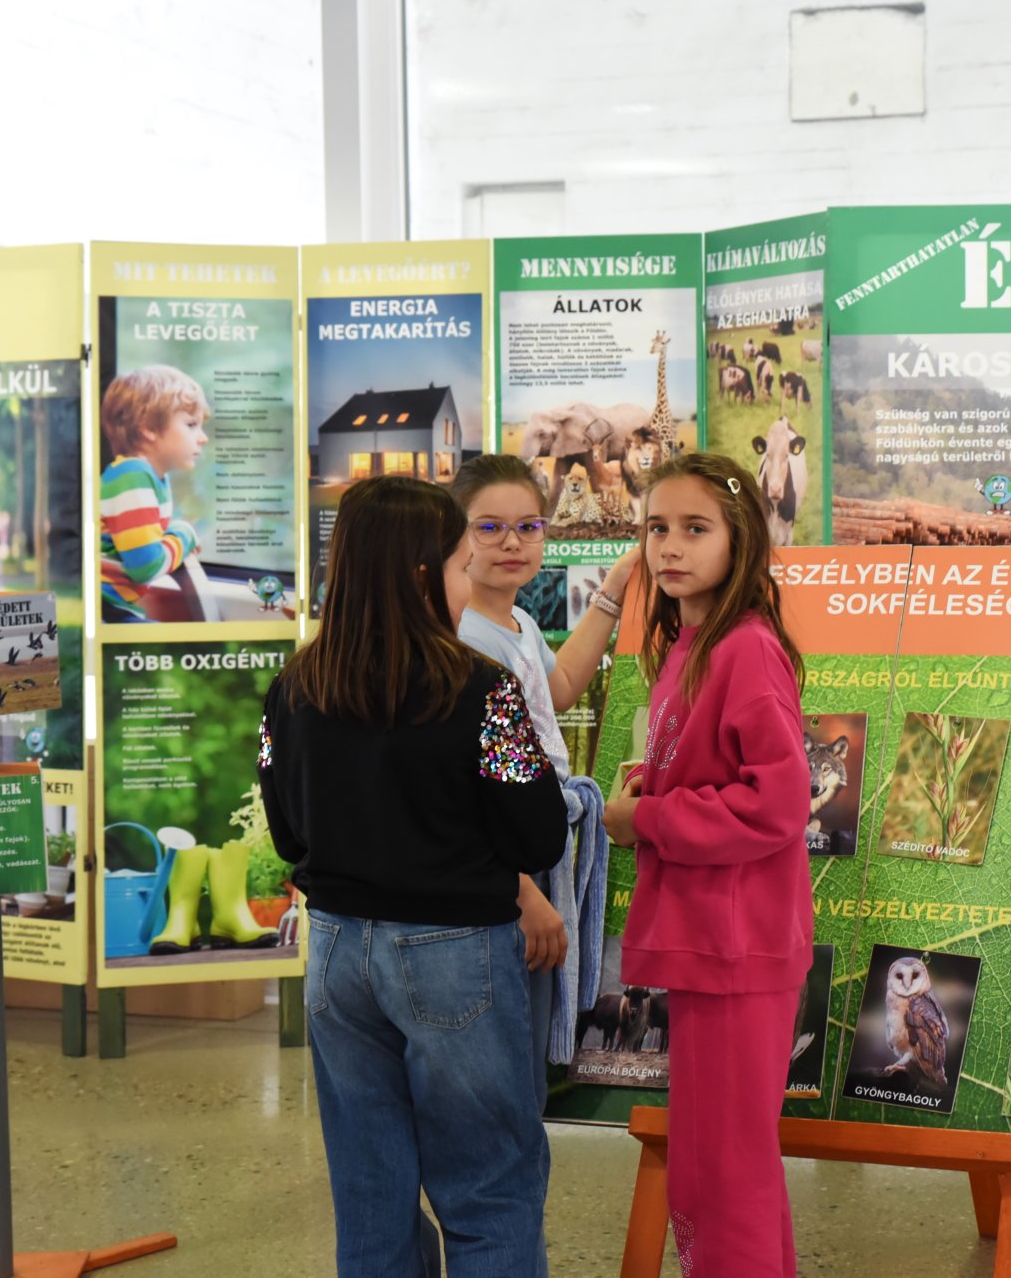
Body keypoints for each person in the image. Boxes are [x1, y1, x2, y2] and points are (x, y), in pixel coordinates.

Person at [259, 475, 565, 1278]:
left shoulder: (291, 691)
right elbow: (538, 833)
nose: (472, 581)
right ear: (426, 573)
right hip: (456, 955)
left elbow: (286, 830)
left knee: (370, 1186)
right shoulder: (485, 693)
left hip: (332, 957)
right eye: (464, 563)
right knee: (489, 1184)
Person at [602, 452, 811, 1278]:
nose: (670, 548)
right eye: (657, 528)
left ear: (741, 540)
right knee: (715, 1165)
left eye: (696, 529)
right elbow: (723, 773)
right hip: (712, 939)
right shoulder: (694, 643)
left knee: (723, 1171)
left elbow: (776, 804)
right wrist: (660, 785)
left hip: (737, 943)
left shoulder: (746, 651)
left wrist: (646, 817)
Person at [448, 454, 631, 1240]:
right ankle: (502, 1232)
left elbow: (554, 692)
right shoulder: (459, 635)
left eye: (528, 526)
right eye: (489, 528)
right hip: (511, 877)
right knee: (509, 1076)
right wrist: (526, 892)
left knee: (526, 1070)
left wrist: (615, 596)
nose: (511, 544)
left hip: (541, 845)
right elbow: (465, 787)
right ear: (454, 536)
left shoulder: (515, 620)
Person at [99, 365, 209, 622]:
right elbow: (145, 567)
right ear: (148, 427)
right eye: (191, 424)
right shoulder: (132, 476)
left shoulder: (151, 478)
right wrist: (184, 533)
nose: (202, 438)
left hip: (116, 603)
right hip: (105, 606)